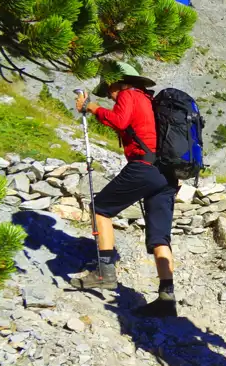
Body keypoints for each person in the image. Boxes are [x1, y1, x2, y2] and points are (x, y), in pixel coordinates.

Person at [71, 61, 179, 318]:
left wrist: (92, 107)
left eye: (109, 88)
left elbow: (120, 121)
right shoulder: (148, 100)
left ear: (118, 82)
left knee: (101, 209)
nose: (109, 93)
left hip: (144, 167)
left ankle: (104, 274)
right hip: (167, 174)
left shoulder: (129, 94)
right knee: (159, 237)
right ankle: (167, 297)